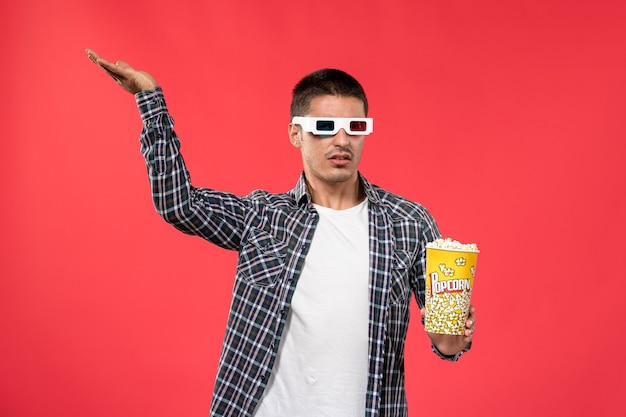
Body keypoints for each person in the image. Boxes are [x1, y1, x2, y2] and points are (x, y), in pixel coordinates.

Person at [86, 48, 476, 417]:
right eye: (325, 127)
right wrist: (151, 102)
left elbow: (445, 338)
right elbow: (179, 204)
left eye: (355, 127)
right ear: (295, 134)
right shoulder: (263, 217)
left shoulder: (409, 222)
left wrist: (451, 341)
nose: (342, 140)